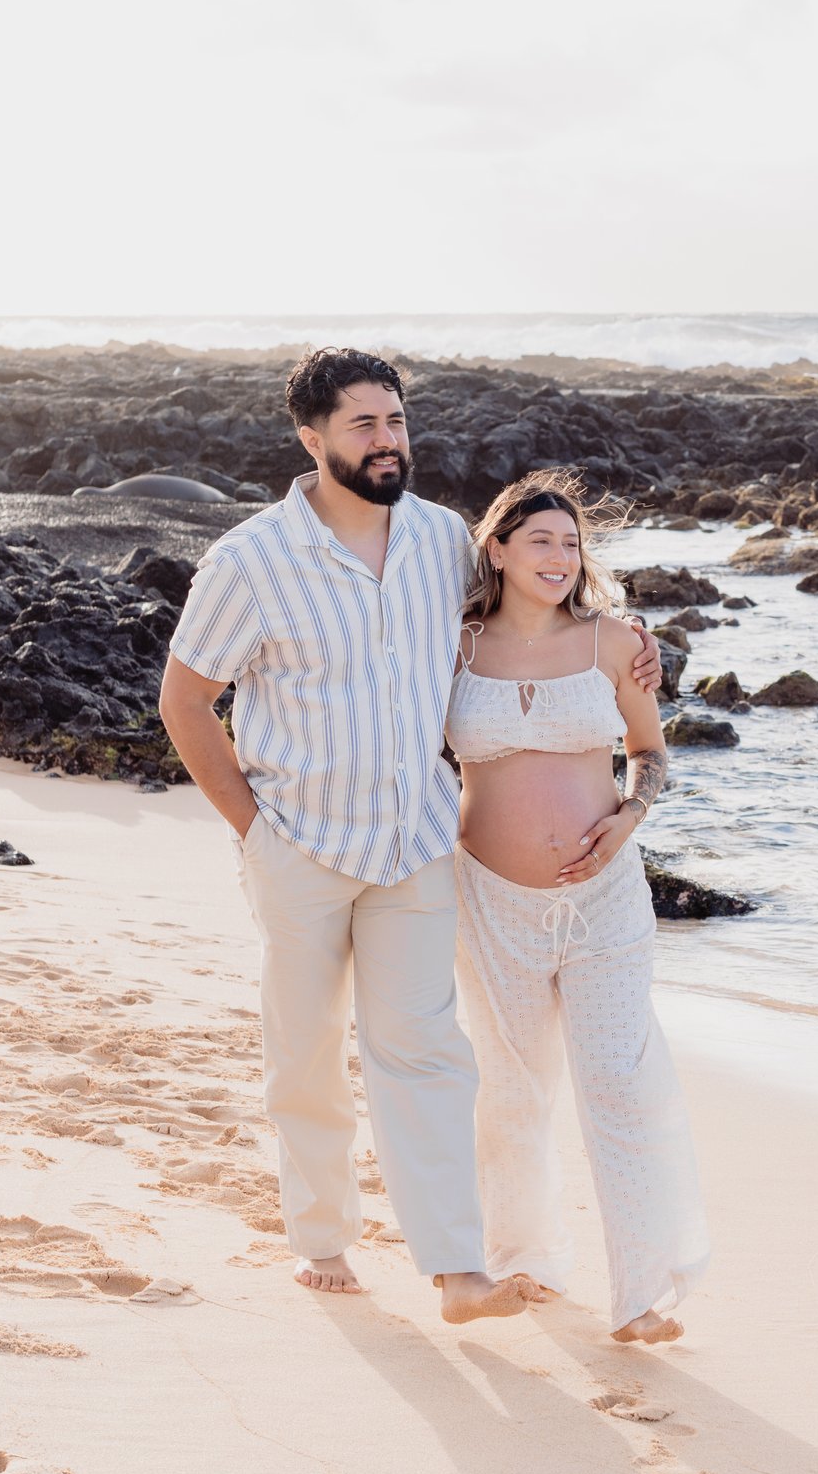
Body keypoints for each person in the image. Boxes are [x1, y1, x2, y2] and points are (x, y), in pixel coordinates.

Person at [155, 350, 657, 1324]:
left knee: (425, 1052)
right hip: (297, 843)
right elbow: (186, 699)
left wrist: (619, 634)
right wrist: (253, 832)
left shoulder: (440, 542)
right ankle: (321, 1239)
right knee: (303, 1054)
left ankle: (456, 1269)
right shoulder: (249, 561)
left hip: (417, 843)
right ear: (311, 438)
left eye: (395, 422)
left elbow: (530, 597)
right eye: (363, 426)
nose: (388, 443)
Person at [445, 471, 711, 1344]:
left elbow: (651, 754)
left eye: (571, 544)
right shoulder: (455, 646)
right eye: (541, 542)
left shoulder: (614, 644)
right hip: (488, 897)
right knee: (510, 1089)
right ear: (497, 549)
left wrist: (630, 817)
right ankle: (525, 1259)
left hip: (605, 902)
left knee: (619, 1084)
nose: (560, 558)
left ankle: (640, 1293)